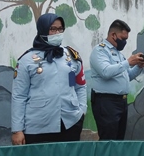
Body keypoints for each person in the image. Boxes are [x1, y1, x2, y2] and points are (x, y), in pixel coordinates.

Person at [11, 13, 87, 145]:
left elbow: (80, 86)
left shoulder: (71, 56)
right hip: (38, 125)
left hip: (70, 122)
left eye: (60, 29)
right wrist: (17, 130)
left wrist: (81, 111)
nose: (57, 33)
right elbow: (19, 96)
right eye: (52, 29)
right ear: (43, 30)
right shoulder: (26, 60)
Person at [87, 19, 144, 140]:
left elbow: (127, 76)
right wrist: (128, 62)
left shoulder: (119, 54)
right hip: (106, 102)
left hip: (121, 103)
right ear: (113, 35)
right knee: (108, 141)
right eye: (122, 38)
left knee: (118, 140)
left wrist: (139, 67)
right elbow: (105, 72)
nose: (124, 42)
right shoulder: (100, 51)